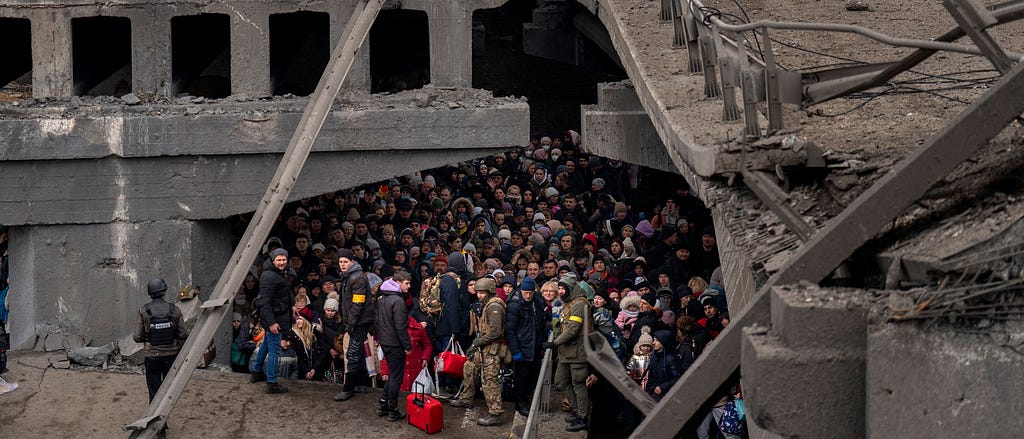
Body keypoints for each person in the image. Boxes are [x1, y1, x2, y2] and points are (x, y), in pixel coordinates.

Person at [133, 277, 189, 438]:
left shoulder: (144, 310)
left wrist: (148, 335)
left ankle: (159, 430)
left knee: (154, 392)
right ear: (164, 291)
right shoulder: (175, 310)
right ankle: (164, 421)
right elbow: (183, 333)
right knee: (168, 392)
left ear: (150, 293)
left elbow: (137, 337)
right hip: (171, 356)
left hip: (152, 357)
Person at [450, 277, 508, 427]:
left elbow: (495, 332)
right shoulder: (487, 304)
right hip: (483, 346)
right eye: (478, 292)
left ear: (489, 291)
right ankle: (466, 398)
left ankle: (495, 413)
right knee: (469, 368)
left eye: (482, 292)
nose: (479, 295)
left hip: (491, 348)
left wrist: (477, 342)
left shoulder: (494, 306)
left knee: (489, 380)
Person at [542, 273, 590, 432]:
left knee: (579, 384)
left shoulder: (579, 304)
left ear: (571, 288)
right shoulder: (567, 303)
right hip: (565, 352)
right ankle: (577, 410)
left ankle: (583, 417)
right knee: (561, 382)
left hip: (577, 353)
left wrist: (554, 343)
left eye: (563, 288)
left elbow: (572, 330)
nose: (560, 291)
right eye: (560, 288)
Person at [250, 246, 294, 394]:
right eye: (279, 260)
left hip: (278, 315)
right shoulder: (269, 277)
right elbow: (265, 302)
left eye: (284, 259)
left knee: (267, 345)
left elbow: (285, 293)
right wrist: (271, 323)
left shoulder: (279, 272)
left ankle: (256, 372)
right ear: (272, 260)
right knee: (275, 350)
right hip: (275, 319)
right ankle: (272, 382)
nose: (282, 262)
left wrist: (292, 306)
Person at [335, 248, 374, 402]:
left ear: (352, 261)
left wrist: (350, 323)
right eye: (340, 262)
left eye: (345, 262)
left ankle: (348, 388)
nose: (343, 264)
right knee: (357, 351)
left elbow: (358, 303)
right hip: (356, 320)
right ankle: (360, 383)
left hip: (359, 321)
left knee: (352, 353)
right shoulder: (350, 276)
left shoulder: (357, 278)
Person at [374, 272, 413, 421]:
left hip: (385, 340)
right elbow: (400, 327)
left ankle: (383, 404)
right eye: (406, 283)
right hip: (395, 343)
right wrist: (407, 345)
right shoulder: (398, 301)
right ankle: (393, 409)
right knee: (396, 377)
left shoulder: (382, 298)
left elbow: (377, 321)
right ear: (397, 282)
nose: (409, 287)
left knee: (393, 375)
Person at [505, 276, 545, 416]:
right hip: (522, 345)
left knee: (533, 376)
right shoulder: (515, 304)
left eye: (530, 292)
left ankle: (526, 399)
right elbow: (510, 330)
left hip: (534, 344)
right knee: (521, 378)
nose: (527, 295)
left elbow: (540, 323)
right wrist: (516, 350)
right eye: (525, 292)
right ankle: (520, 402)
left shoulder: (537, 302)